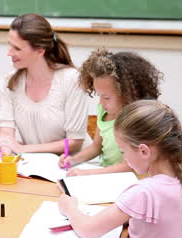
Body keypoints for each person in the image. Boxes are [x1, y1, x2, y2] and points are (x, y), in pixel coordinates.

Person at [59, 100, 182, 238]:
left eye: (123, 151)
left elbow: (88, 230)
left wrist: (70, 208)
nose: (124, 158)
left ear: (144, 151)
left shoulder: (144, 192)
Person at [0, 13, 90, 159]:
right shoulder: (8, 83)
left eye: (17, 48)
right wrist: (2, 145)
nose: (9, 53)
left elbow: (74, 143)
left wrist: (22, 149)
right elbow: (6, 134)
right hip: (33, 167)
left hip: (75, 166)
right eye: (10, 45)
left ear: (40, 51)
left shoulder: (72, 79)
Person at [58, 48, 162, 176]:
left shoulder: (137, 121)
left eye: (106, 97)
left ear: (127, 94)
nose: (101, 103)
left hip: (130, 180)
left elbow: (127, 166)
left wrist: (88, 173)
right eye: (98, 95)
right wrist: (73, 160)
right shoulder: (104, 111)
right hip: (107, 176)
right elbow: (96, 147)